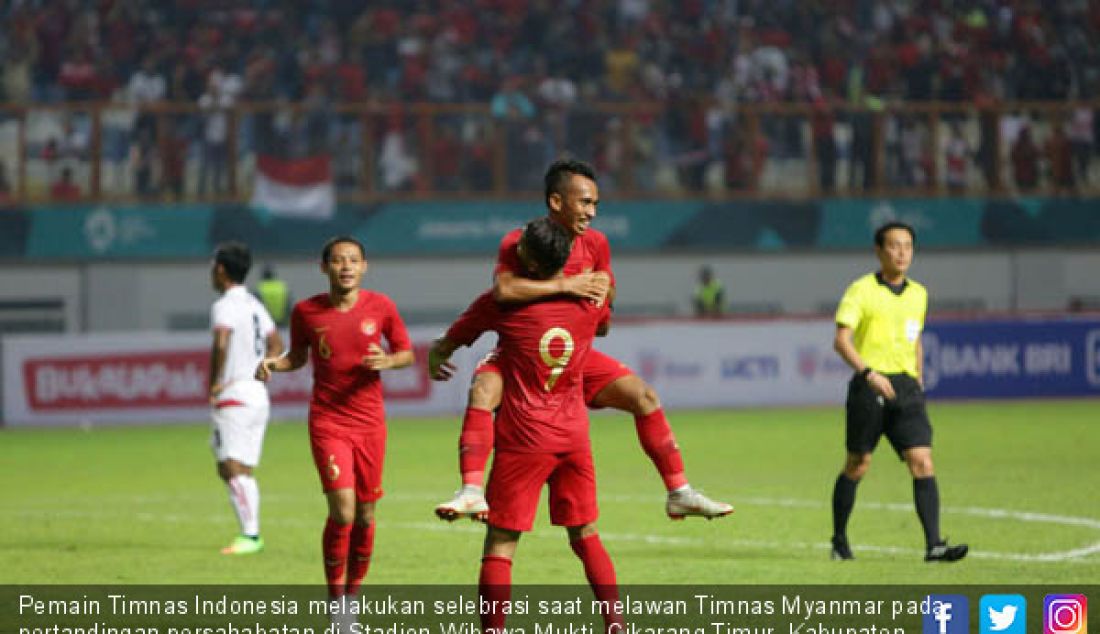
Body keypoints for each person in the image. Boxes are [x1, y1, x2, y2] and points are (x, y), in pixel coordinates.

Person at [434, 159, 732, 522]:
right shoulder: (519, 241)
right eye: (584, 203)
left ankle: (679, 491)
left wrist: (608, 292)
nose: (591, 212)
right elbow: (503, 291)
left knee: (644, 396)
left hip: (573, 354)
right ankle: (471, 491)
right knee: (483, 389)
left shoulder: (596, 245)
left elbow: (603, 321)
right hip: (520, 353)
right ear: (557, 202)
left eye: (595, 205)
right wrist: (566, 285)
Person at [428, 217, 623, 634]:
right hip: (573, 437)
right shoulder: (589, 304)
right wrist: (587, 287)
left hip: (524, 439)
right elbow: (604, 322)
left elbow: (457, 335)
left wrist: (437, 353)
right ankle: (616, 623)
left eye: (521, 254)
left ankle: (494, 630)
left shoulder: (506, 304)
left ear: (531, 264)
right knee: (585, 534)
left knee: (500, 544)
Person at [255, 236, 414, 623]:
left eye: (353, 260)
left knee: (365, 514)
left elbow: (408, 354)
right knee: (343, 511)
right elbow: (297, 356)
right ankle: (336, 604)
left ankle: (353, 598)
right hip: (329, 422)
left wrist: (389, 361)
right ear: (324, 267)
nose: (346, 267)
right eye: (339, 261)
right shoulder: (307, 312)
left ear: (364, 267)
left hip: (371, 423)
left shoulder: (382, 307)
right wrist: (274, 364)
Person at [829, 221, 968, 563]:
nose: (902, 252)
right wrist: (868, 373)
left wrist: (918, 379)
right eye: (894, 245)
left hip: (906, 388)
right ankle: (839, 540)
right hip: (870, 384)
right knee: (858, 463)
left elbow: (915, 338)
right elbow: (841, 341)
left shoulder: (919, 293)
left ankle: (934, 545)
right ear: (879, 251)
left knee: (922, 461)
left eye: (907, 245)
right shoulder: (861, 291)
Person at [208, 241, 284, 555]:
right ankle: (251, 533)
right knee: (244, 469)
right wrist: (265, 368)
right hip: (257, 395)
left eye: (214, 266)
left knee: (230, 466)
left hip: (234, 394)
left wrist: (215, 382)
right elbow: (277, 343)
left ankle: (250, 536)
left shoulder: (225, 305)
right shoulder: (254, 304)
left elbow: (222, 343)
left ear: (222, 270)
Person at [256, 263, 292, 327]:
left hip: (266, 326)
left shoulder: (259, 288)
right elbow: (289, 307)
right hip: (282, 325)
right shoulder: (282, 287)